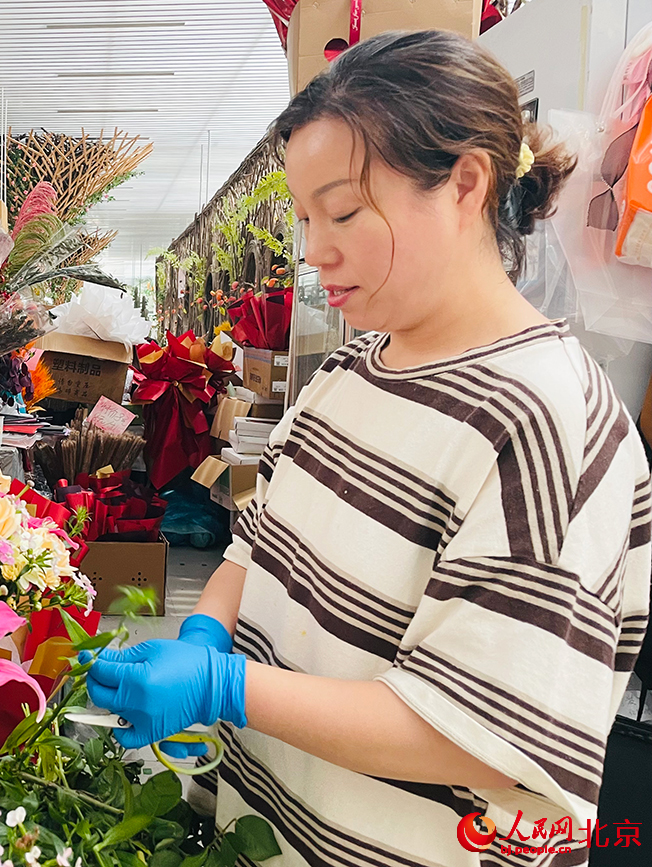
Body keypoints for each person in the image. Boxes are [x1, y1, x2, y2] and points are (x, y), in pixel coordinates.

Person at [84, 30, 651, 866]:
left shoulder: (544, 421)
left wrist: (225, 687)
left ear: (465, 183)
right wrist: (205, 631)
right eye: (306, 218)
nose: (316, 250)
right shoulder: (350, 371)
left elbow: (481, 733)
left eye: (344, 212)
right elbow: (254, 545)